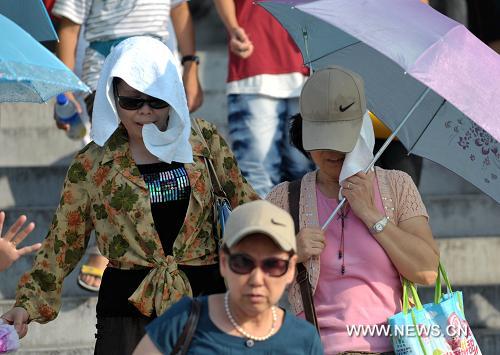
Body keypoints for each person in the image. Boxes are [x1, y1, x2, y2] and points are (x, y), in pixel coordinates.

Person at [0, 37, 258, 355]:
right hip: (125, 314)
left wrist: (286, 244)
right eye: (132, 101)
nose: (145, 111)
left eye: (156, 100)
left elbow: (246, 202)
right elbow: (63, 244)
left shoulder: (204, 141)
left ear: (173, 94)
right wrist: (27, 305)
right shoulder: (92, 162)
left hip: (205, 302)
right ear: (113, 97)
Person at [266, 66, 440, 354]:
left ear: (361, 132)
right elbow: (250, 285)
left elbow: (427, 271)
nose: (332, 151)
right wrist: (291, 254)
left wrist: (372, 215)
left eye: (341, 137)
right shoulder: (285, 198)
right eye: (321, 138)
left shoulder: (397, 186)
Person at [51, 0, 205, 291]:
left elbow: (180, 11)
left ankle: (159, 240)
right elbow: (69, 27)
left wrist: (190, 66)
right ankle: (103, 244)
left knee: (160, 158)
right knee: (115, 157)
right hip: (106, 73)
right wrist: (65, 88)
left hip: (158, 70)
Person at [133, 200, 323, 355]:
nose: (257, 279)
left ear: (290, 269)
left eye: (273, 265)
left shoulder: (304, 339)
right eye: (243, 262)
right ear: (223, 262)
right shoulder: (183, 321)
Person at [213, 0, 314, 198]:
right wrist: (233, 27)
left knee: (304, 175)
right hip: (254, 65)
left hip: (305, 66)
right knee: (259, 177)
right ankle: (264, 229)